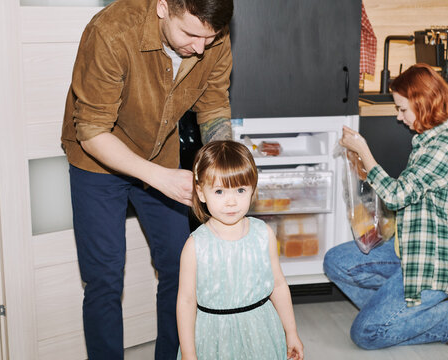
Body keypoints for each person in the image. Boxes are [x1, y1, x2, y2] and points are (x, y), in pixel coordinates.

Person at [60, 0, 234, 358]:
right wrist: (159, 178)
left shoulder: (212, 38)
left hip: (160, 151)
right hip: (97, 159)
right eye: (190, 34)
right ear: (163, 7)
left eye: (209, 38)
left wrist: (225, 164)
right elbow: (91, 130)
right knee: (104, 279)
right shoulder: (110, 32)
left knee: (180, 266)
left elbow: (214, 105)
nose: (200, 48)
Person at [324, 63, 448, 349]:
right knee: (336, 262)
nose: (398, 116)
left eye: (402, 109)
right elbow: (408, 194)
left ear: (424, 104)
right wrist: (361, 165)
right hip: (407, 249)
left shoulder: (442, 147)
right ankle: (398, 314)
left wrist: (364, 151)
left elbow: (395, 196)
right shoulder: (426, 139)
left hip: (432, 265)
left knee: (365, 335)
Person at [176, 140, 304, 359]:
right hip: (214, 338)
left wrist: (291, 332)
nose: (231, 201)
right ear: (201, 193)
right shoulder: (195, 245)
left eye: (240, 189)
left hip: (261, 333)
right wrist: (189, 355)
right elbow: (186, 301)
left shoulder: (263, 234)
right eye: (219, 191)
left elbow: (278, 284)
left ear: (253, 189)